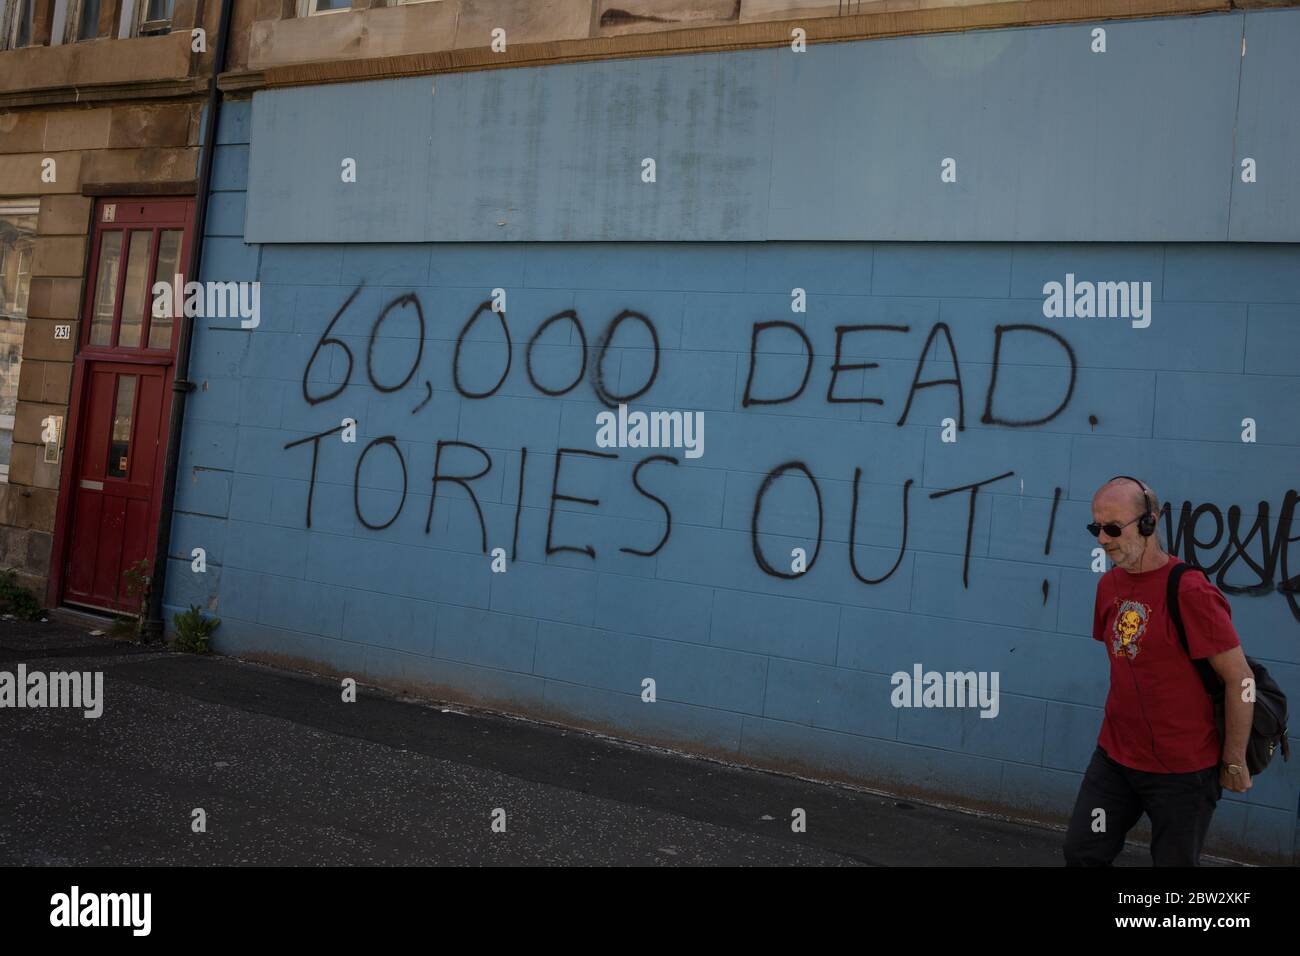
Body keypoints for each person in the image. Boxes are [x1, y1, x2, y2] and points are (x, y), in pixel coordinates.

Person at [1063, 475, 1254, 866]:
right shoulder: (1109, 587)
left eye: (1113, 528)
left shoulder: (1190, 592)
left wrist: (1234, 759)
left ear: (1150, 522)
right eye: (1095, 528)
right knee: (1083, 851)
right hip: (1115, 763)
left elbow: (1242, 679)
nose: (1102, 538)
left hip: (1183, 775)